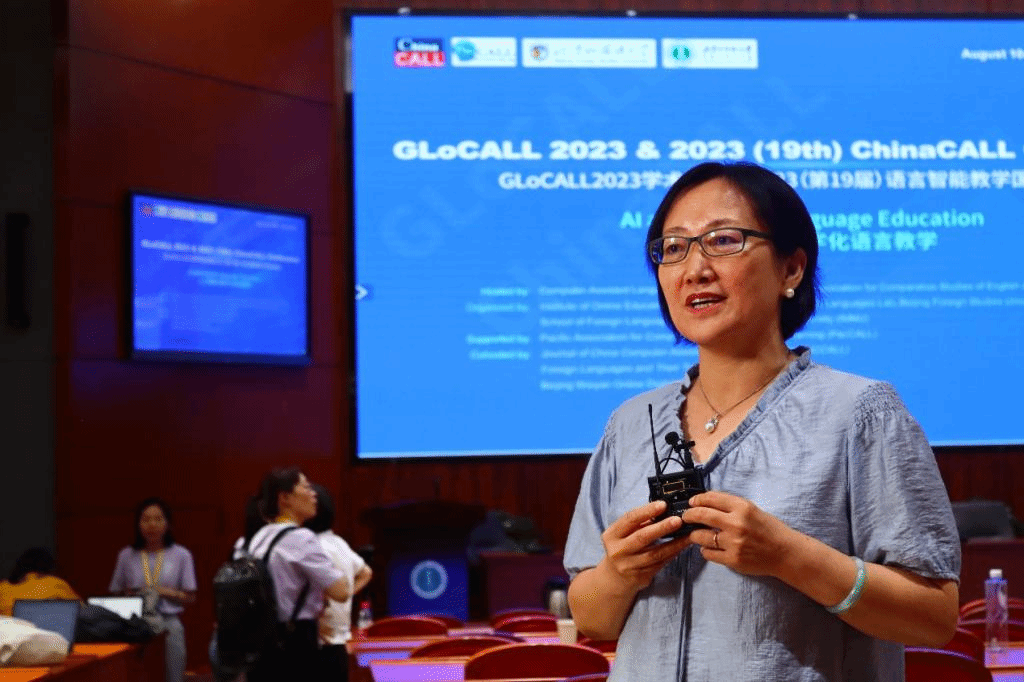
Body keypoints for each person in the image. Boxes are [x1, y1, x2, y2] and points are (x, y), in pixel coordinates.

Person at [563, 161, 961, 681]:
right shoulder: (631, 422)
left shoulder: (862, 412)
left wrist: (788, 556)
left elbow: (933, 617)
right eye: (674, 247)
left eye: (723, 241)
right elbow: (592, 618)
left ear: (791, 269)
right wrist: (619, 573)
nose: (694, 269)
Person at [245, 468, 351, 682]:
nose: (314, 494)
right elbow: (341, 592)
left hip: (262, 639)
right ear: (285, 498)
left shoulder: (260, 536)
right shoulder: (301, 538)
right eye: (306, 487)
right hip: (296, 640)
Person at [109, 497, 197, 682]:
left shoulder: (181, 555)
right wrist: (131, 594)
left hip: (169, 623)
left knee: (173, 677)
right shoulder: (126, 555)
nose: (152, 525)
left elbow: (191, 597)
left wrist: (163, 591)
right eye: (146, 519)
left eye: (158, 519)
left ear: (167, 523)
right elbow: (115, 592)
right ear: (138, 524)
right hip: (135, 624)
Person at [305, 483, 373, 682]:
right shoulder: (338, 542)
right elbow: (366, 573)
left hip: (320, 643)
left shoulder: (311, 546)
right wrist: (345, 594)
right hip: (340, 645)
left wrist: (338, 596)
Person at [0, 547, 79, 616]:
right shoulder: (55, 583)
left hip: (11, 628)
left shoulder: (3, 587)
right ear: (49, 567)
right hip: (48, 628)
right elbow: (81, 610)